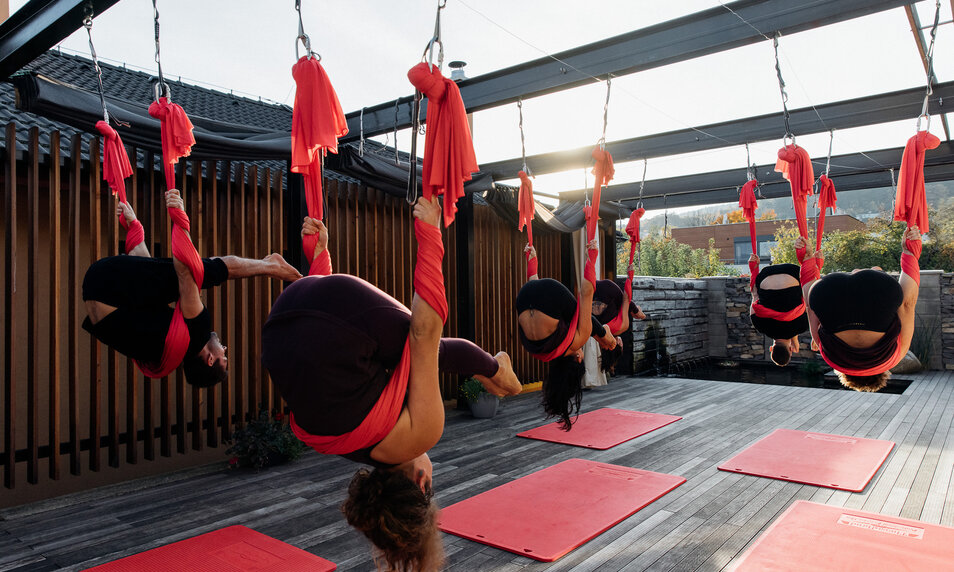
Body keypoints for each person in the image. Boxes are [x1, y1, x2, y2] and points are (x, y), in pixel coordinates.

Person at [261, 197, 521, 572]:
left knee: (417, 344)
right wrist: (319, 262)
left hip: (336, 314)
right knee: (406, 358)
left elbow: (427, 333)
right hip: (283, 318)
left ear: (421, 484)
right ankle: (498, 373)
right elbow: (319, 355)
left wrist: (431, 234)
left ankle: (501, 373)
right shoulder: (346, 445)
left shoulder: (419, 435)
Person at [82, 190, 302, 387]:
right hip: (102, 289)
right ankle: (269, 265)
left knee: (204, 271)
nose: (224, 349)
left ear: (209, 359)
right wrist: (134, 228)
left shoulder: (196, 335)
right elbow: (148, 284)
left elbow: (187, 275)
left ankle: (270, 266)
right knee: (184, 276)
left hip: (109, 283)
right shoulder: (164, 355)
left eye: (223, 357)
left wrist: (180, 219)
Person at [802, 228, 922, 392]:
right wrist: (807, 261)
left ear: (882, 374)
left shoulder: (894, 357)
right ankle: (867, 273)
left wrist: (910, 253)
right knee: (867, 277)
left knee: (876, 272)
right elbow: (811, 310)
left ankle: (873, 272)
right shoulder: (831, 359)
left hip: (876, 287)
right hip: (830, 289)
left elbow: (907, 305)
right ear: (844, 375)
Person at [517, 244, 619, 429]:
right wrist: (531, 263)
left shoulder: (576, 341)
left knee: (584, 320)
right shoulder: (539, 353)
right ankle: (605, 335)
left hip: (550, 292)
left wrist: (592, 258)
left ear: (579, 358)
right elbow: (538, 303)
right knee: (575, 320)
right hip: (525, 294)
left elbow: (586, 293)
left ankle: (605, 335)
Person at [747, 253, 808, 367]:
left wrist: (795, 341)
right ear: (771, 348)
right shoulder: (761, 327)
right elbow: (755, 295)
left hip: (793, 272)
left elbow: (807, 298)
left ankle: (807, 257)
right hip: (766, 275)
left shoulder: (801, 326)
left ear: (790, 350)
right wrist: (754, 268)